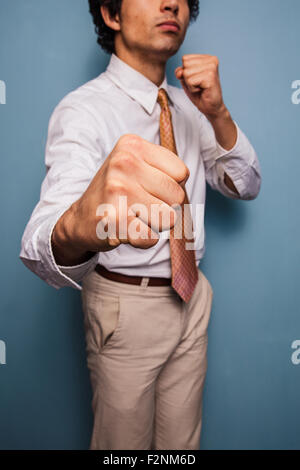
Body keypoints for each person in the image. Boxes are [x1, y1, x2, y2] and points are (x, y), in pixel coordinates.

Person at [20, 0, 261, 450]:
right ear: (111, 14)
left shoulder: (189, 109)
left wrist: (219, 112)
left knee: (181, 449)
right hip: (124, 305)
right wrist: (78, 223)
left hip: (192, 299)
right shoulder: (83, 111)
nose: (172, 3)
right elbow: (42, 240)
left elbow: (245, 186)